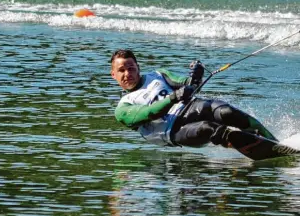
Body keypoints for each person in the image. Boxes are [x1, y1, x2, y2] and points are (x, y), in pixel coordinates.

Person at [110, 49, 277, 148]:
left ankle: (273, 141)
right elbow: (150, 113)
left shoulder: (158, 75)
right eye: (122, 70)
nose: (127, 74)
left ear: (138, 68)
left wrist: (195, 77)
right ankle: (247, 146)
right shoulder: (123, 108)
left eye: (131, 68)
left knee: (226, 112)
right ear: (113, 75)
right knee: (209, 128)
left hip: (190, 108)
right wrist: (173, 98)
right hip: (173, 131)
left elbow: (188, 84)